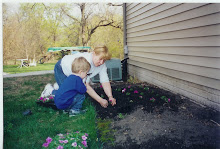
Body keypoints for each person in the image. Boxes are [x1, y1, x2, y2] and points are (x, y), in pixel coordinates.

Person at [41, 45, 116, 108]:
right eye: (100, 59)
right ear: (94, 53)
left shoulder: (102, 65)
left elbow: (105, 81)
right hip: (62, 69)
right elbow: (85, 86)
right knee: (71, 96)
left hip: (73, 77)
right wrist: (100, 100)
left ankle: (58, 86)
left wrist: (110, 96)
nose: (102, 62)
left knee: (76, 92)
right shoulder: (85, 62)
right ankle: (50, 90)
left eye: (104, 60)